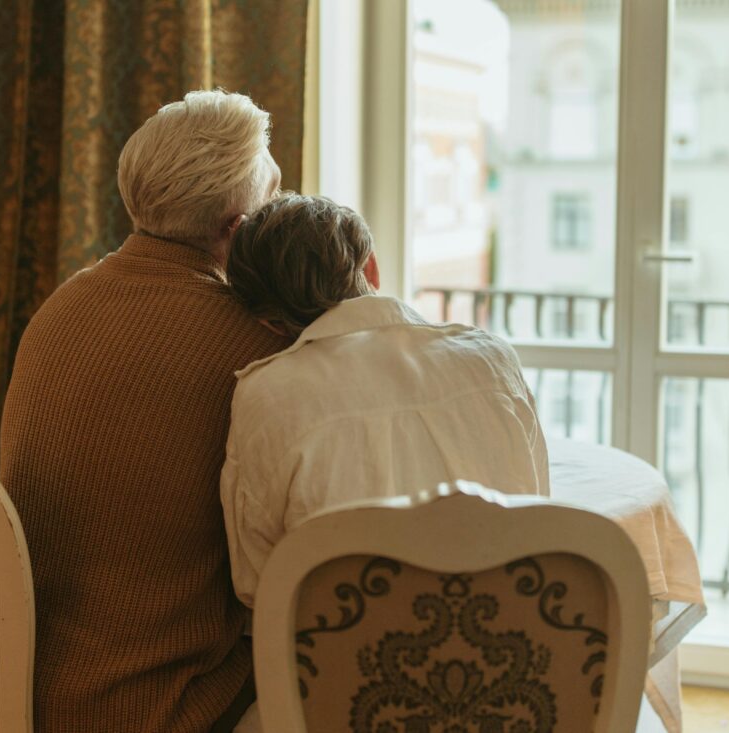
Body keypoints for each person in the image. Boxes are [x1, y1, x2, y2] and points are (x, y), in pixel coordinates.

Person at [0, 90, 288, 732]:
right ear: (239, 231)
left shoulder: (61, 307)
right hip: (158, 709)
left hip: (26, 693)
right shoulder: (256, 347)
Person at [220, 193, 549, 613]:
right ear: (371, 268)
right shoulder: (492, 358)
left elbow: (256, 581)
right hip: (508, 640)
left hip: (351, 663)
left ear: (267, 321)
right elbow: (537, 506)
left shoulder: (267, 394)